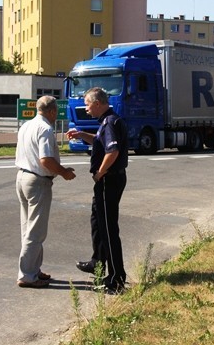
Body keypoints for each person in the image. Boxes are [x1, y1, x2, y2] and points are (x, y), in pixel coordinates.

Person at [66, 87, 129, 292]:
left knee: (109, 230)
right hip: (107, 181)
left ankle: (116, 278)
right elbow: (100, 141)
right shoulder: (106, 121)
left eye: (87, 103)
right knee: (97, 223)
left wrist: (100, 173)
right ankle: (98, 262)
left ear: (98, 103)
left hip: (108, 181)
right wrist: (82, 134)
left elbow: (113, 151)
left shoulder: (109, 121)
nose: (85, 108)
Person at [15, 95, 76, 288]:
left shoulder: (26, 126)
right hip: (38, 181)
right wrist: (64, 172)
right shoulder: (45, 129)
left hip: (22, 177)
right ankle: (27, 275)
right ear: (51, 111)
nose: (56, 115)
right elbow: (46, 160)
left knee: (28, 228)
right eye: (56, 111)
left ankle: (34, 269)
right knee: (36, 231)